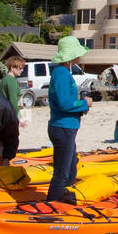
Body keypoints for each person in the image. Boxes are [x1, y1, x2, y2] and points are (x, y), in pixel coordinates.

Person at [47, 35, 92, 204]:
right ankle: (52, 203)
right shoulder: (61, 74)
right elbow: (65, 103)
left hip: (66, 127)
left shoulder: (64, 72)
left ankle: (62, 197)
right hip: (62, 127)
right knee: (62, 171)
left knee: (71, 168)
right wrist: (84, 104)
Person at [0, 53, 29, 130]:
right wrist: (20, 119)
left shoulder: (5, 79)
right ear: (12, 68)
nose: (22, 70)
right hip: (9, 115)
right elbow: (13, 102)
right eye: (20, 68)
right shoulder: (11, 81)